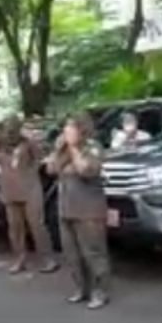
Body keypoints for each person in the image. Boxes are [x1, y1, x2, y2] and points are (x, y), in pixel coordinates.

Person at [47, 113, 111, 309]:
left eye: (70, 127)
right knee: (71, 253)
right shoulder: (63, 149)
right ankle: (81, 288)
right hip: (66, 208)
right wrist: (60, 150)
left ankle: (100, 291)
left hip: (89, 209)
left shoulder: (92, 147)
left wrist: (74, 148)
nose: (66, 131)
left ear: (81, 130)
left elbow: (87, 171)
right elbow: (51, 169)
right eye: (65, 128)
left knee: (92, 252)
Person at [0, 115, 58, 274]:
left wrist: (31, 169)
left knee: (37, 225)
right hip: (10, 190)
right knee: (15, 228)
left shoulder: (27, 143)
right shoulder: (0, 146)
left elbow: (40, 157)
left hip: (30, 189)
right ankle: (19, 259)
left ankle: (47, 259)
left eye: (13, 130)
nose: (10, 134)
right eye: (7, 130)